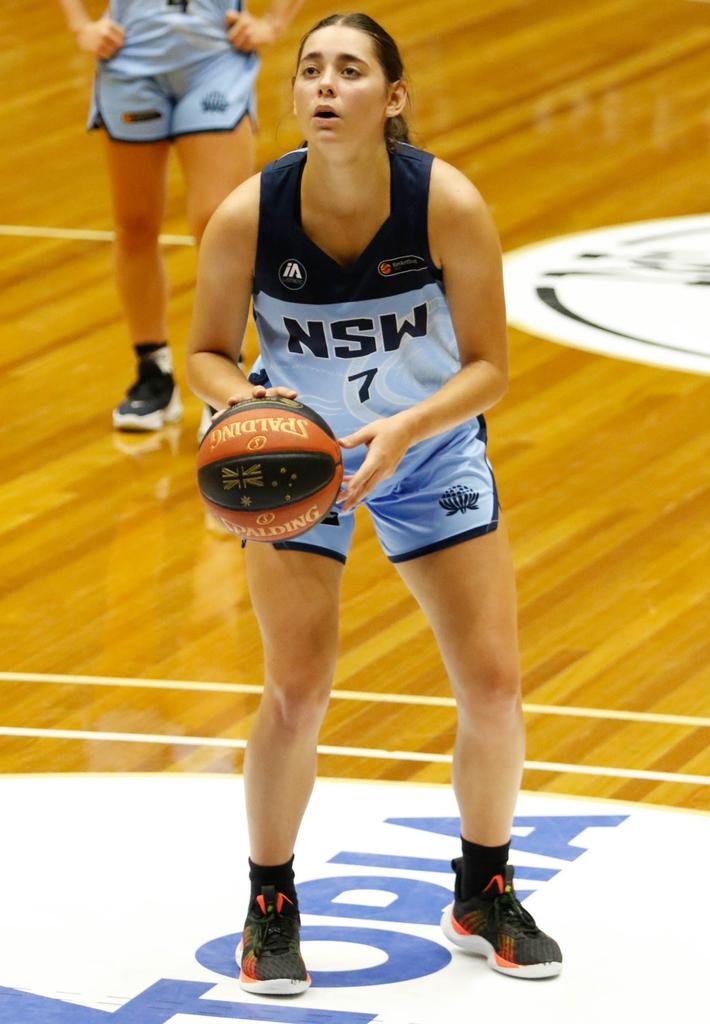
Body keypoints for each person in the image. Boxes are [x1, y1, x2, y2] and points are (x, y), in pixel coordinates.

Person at [187, 11, 562, 995]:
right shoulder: (249, 215)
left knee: (492, 686)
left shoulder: (446, 204)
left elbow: (489, 368)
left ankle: (483, 886)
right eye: (310, 68)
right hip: (300, 466)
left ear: (392, 99)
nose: (323, 84)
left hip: (429, 452)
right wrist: (250, 405)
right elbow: (203, 353)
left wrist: (403, 428)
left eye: (350, 71)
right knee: (297, 688)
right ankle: (270, 901)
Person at [57, 0, 304, 431]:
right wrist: (80, 25)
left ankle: (226, 379)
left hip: (214, 60)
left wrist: (274, 22)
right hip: (128, 61)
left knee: (217, 224)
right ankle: (153, 372)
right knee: (135, 225)